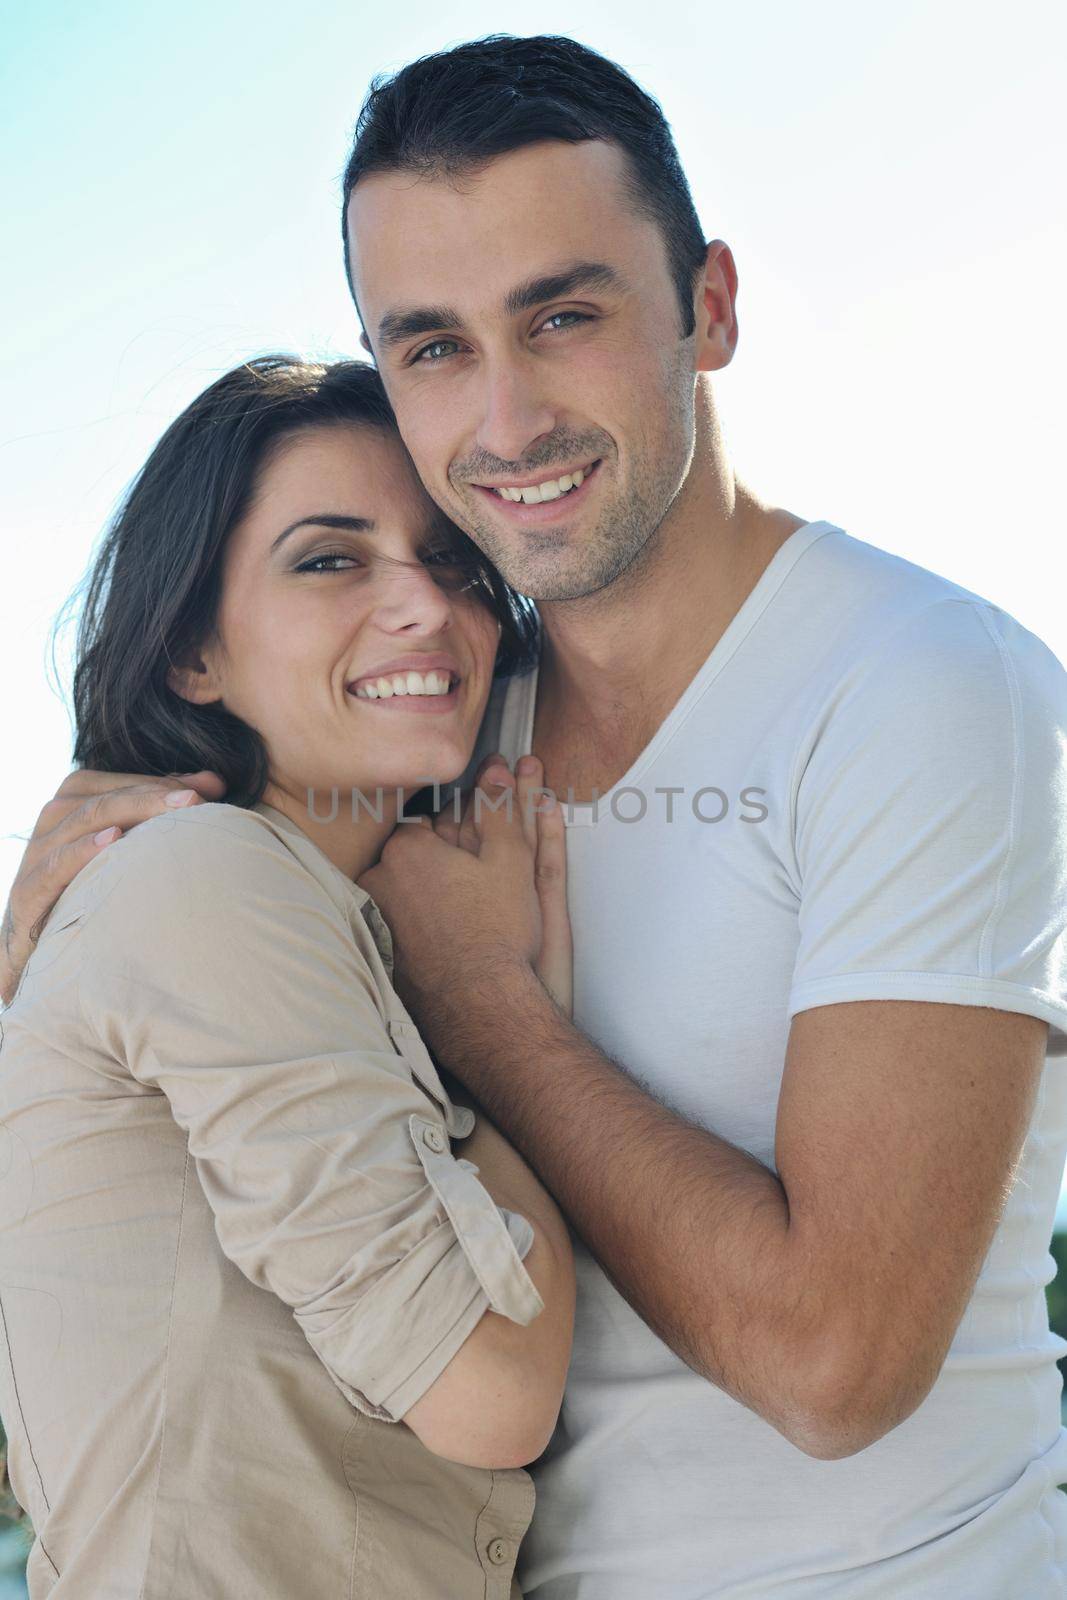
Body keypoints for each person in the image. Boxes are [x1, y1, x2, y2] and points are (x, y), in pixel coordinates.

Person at [5, 31, 1067, 1599]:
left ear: (706, 309)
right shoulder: (436, 730)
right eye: (430, 345)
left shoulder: (917, 685)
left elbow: (834, 1366)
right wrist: (57, 890)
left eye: (561, 316)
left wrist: (485, 1002)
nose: (501, 421)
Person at [0, 354, 576, 1598]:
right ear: (190, 652)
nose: (425, 606)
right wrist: (483, 997)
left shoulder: (318, 918)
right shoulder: (205, 880)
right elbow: (491, 1387)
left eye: (454, 558)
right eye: (329, 558)